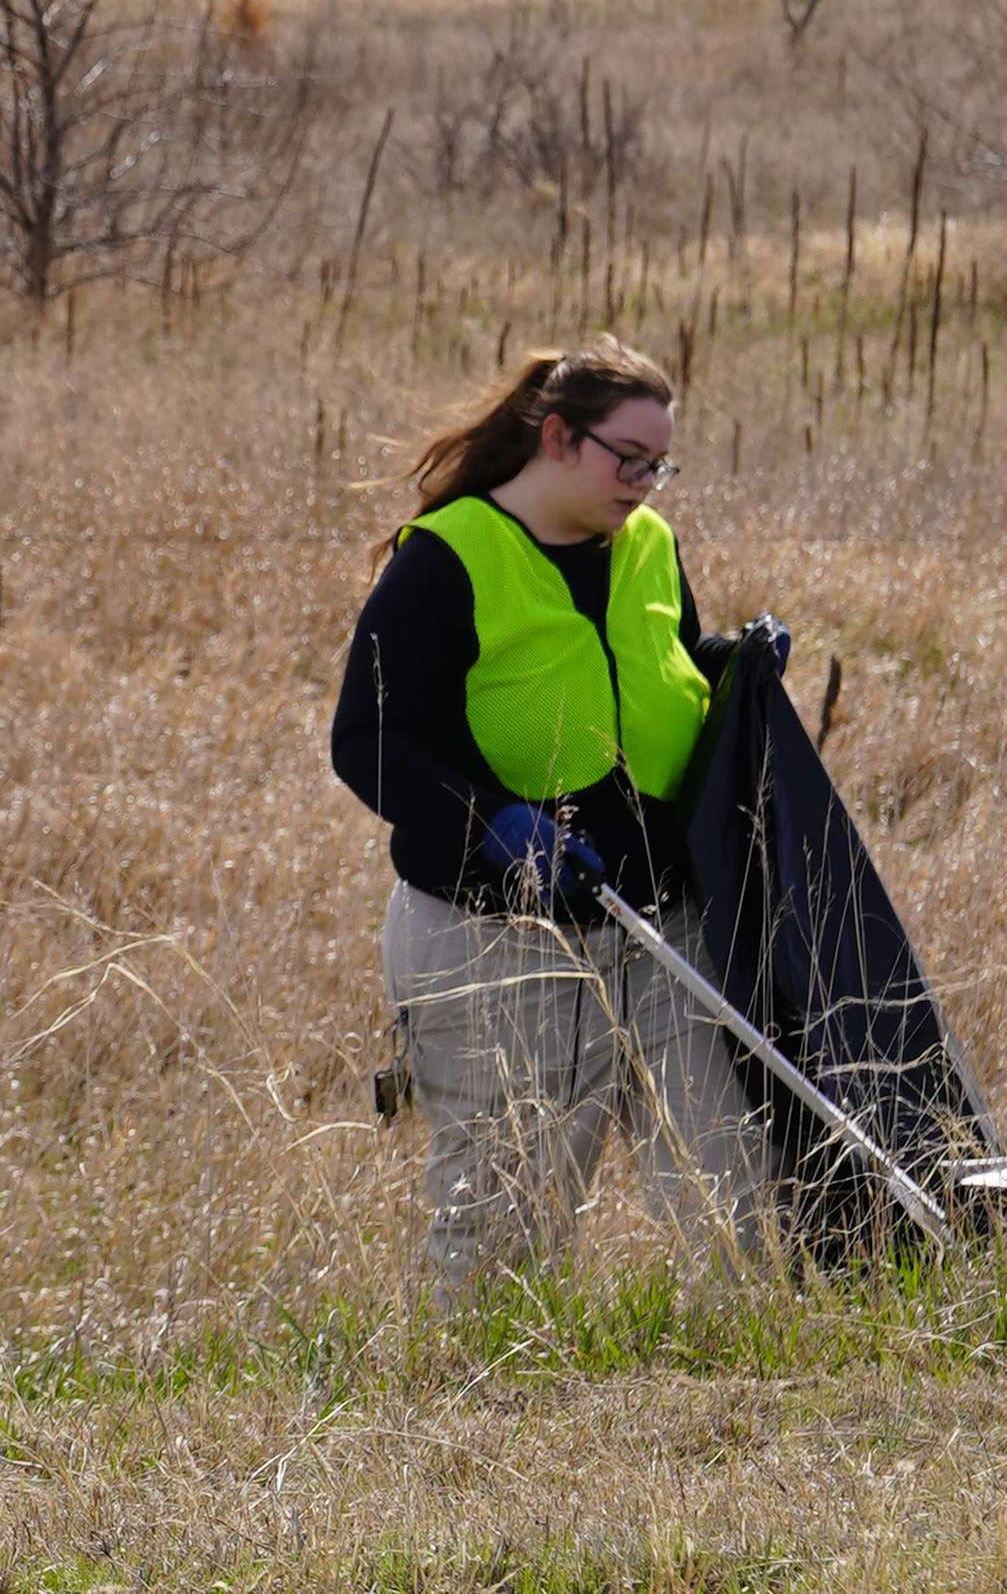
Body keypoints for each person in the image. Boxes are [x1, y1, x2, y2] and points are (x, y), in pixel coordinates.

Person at [329, 335, 790, 1301]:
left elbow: (650, 669)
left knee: (738, 1201)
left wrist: (733, 667)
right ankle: (474, 1425)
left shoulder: (650, 545)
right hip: (495, 942)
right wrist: (494, 825)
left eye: (662, 463)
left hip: (662, 929)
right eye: (631, 459)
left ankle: (748, 1408)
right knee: (502, 1231)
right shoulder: (448, 559)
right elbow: (369, 740)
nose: (648, 483)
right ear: (556, 438)